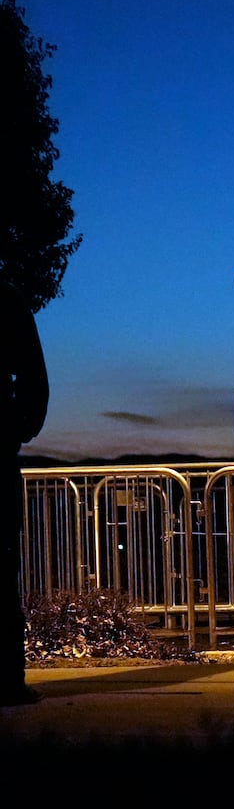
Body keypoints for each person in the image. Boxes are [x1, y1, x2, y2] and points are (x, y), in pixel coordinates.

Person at [2, 287, 48, 706]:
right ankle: (4, 676)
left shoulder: (10, 303)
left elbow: (34, 383)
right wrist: (17, 429)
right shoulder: (9, 302)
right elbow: (35, 381)